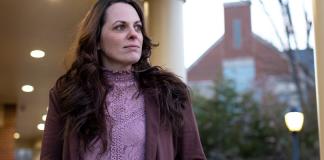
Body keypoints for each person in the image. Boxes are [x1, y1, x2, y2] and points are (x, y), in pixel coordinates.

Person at [40, 0, 206, 159]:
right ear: (97, 40)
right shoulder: (65, 96)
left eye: (138, 27)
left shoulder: (171, 93)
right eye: (120, 27)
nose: (134, 34)